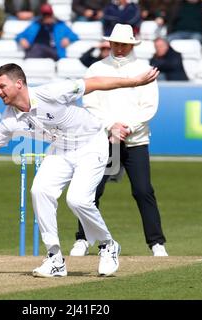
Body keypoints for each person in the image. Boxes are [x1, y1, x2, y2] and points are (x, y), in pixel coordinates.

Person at [0, 63, 159, 277]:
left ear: (19, 83)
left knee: (77, 200)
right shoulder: (9, 121)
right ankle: (55, 258)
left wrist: (134, 82)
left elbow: (94, 83)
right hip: (61, 149)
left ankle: (107, 245)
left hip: (92, 143)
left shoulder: (51, 92)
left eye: (1, 86)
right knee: (39, 191)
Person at [70, 23, 168, 258]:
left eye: (124, 44)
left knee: (143, 190)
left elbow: (149, 107)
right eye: (116, 43)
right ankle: (83, 239)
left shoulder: (144, 69)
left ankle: (156, 244)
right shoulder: (95, 69)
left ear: (131, 44)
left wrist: (127, 127)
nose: (119, 48)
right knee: (92, 191)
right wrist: (110, 127)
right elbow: (90, 105)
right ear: (110, 43)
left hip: (135, 140)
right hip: (103, 140)